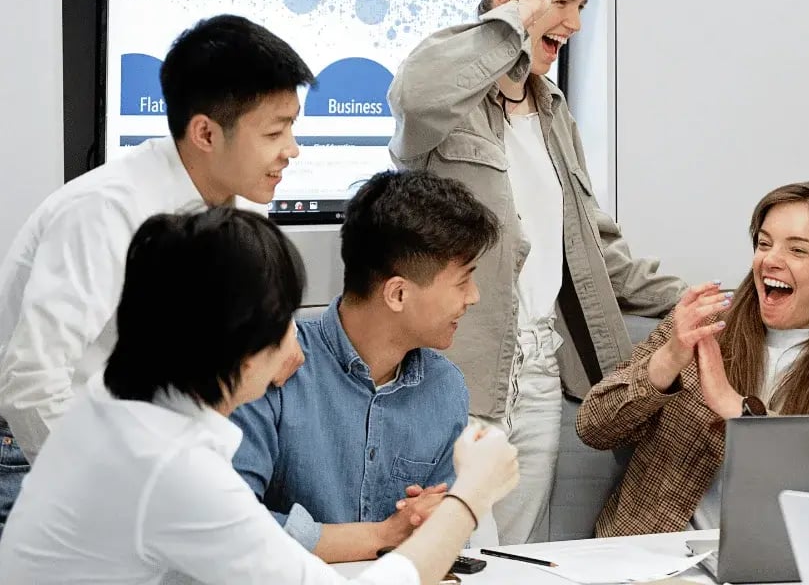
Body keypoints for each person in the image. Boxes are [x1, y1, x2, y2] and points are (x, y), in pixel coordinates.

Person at [0, 207, 518, 584]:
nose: (299, 334)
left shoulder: (120, 412)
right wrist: (470, 496)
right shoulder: (172, 470)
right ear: (242, 344)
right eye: (284, 316)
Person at [387, 0, 685, 544]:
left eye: (581, 5)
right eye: (561, 2)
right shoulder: (447, 108)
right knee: (455, 550)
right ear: (508, 0)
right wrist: (511, 22)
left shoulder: (554, 112)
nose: (574, 23)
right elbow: (414, 96)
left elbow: (597, 249)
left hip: (543, 373)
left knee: (516, 554)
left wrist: (696, 301)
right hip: (461, 372)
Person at [0, 14, 313, 533]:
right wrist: (108, 498)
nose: (292, 149)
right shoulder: (104, 212)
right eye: (275, 132)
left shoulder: (242, 206)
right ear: (205, 132)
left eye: (292, 127)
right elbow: (31, 384)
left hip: (151, 446)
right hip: (38, 449)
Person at [577, 182, 809, 536]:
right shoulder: (704, 322)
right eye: (764, 244)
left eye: (798, 250)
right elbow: (593, 427)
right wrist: (669, 358)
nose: (770, 260)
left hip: (774, 556)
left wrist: (735, 408)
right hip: (650, 551)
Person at [231, 169, 501, 562]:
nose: (473, 297)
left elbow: (445, 534)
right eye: (462, 282)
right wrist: (382, 536)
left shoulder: (445, 389)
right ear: (397, 294)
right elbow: (232, 527)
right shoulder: (275, 368)